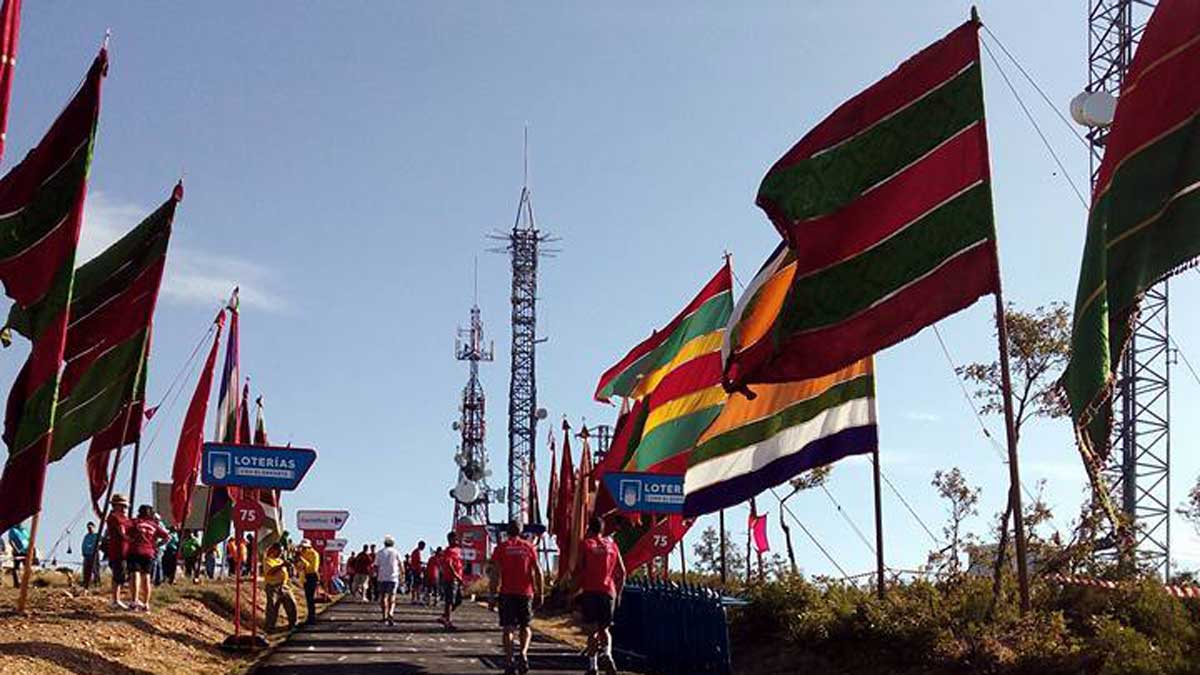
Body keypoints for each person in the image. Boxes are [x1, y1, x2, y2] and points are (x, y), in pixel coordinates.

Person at [489, 520, 544, 675]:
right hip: (525, 593)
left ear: (507, 532)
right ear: (520, 532)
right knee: (525, 626)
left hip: (507, 593)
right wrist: (541, 592)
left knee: (508, 628)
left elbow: (495, 574)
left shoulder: (501, 548)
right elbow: (538, 571)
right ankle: (523, 653)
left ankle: (509, 660)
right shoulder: (529, 547)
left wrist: (492, 595)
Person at [576, 516, 626, 675]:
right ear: (603, 530)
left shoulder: (586, 545)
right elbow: (622, 572)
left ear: (589, 528)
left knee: (592, 631)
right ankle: (608, 654)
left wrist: (572, 591)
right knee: (605, 629)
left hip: (590, 591)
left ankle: (593, 667)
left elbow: (579, 569)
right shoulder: (612, 546)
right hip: (608, 591)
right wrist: (618, 593)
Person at [127, 504, 169, 611]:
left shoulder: (135, 522)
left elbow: (124, 530)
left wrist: (129, 540)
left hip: (135, 550)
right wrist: (156, 545)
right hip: (149, 552)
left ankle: (134, 601)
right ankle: (146, 604)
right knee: (146, 577)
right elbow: (167, 536)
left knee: (134, 574)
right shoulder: (153, 525)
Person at [104, 494, 132, 609]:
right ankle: (115, 599)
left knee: (123, 574)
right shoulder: (114, 518)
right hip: (117, 550)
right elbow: (122, 533)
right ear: (115, 506)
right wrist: (131, 538)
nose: (124, 509)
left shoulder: (125, 518)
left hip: (126, 550)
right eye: (122, 506)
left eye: (125, 506)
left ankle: (119, 599)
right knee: (118, 575)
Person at [262, 542, 298, 632]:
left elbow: (287, 572)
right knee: (272, 608)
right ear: (274, 550)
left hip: (284, 586)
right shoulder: (268, 560)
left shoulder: (280, 560)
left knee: (291, 604)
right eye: (279, 551)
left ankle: (292, 624)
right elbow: (270, 572)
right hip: (273, 587)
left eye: (282, 552)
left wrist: (290, 568)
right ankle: (270, 627)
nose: (280, 553)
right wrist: (282, 565)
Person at [375, 535, 403, 626]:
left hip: (382, 577)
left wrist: (376, 574)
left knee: (383, 597)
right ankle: (391, 613)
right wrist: (402, 575)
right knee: (392, 597)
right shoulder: (396, 552)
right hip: (393, 577)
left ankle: (384, 616)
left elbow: (376, 565)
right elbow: (401, 564)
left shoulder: (379, 552)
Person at [438, 532, 464, 629]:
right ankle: (447, 620)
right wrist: (456, 575)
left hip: (457, 579)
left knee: (458, 600)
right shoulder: (448, 551)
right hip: (450, 579)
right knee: (449, 600)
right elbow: (449, 565)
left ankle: (445, 616)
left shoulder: (458, 550)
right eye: (454, 539)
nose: (456, 540)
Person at [297, 539, 321, 624]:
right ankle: (310, 616)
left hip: (312, 576)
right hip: (305, 577)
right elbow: (299, 567)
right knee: (308, 598)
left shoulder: (314, 554)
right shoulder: (303, 554)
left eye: (304, 547)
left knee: (310, 598)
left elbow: (313, 568)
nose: (303, 549)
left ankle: (312, 617)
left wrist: (303, 561)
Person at [6, 523, 30, 588]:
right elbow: (11, 541)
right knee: (16, 567)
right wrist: (16, 549)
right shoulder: (12, 530)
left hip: (27, 551)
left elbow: (29, 540)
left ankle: (25, 583)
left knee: (27, 567)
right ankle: (17, 583)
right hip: (18, 552)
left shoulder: (24, 530)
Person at [81, 522, 99, 588]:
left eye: (90, 528)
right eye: (88, 528)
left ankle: (96, 583)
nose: (89, 529)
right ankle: (86, 583)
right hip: (87, 555)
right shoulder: (86, 536)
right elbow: (83, 545)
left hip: (94, 555)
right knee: (86, 570)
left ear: (94, 527)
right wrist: (83, 552)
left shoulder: (97, 535)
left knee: (95, 569)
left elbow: (101, 543)